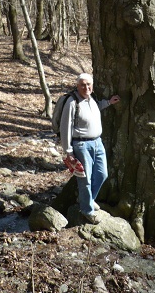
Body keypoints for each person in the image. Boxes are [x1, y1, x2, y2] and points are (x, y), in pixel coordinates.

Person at [60, 72, 120, 224]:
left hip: (97, 143)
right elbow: (65, 127)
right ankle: (87, 210)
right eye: (82, 85)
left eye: (88, 84)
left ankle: (89, 198)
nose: (86, 87)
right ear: (77, 86)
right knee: (85, 179)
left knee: (102, 174)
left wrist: (108, 102)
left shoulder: (91, 99)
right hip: (81, 145)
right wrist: (68, 151)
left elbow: (96, 108)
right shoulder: (72, 103)